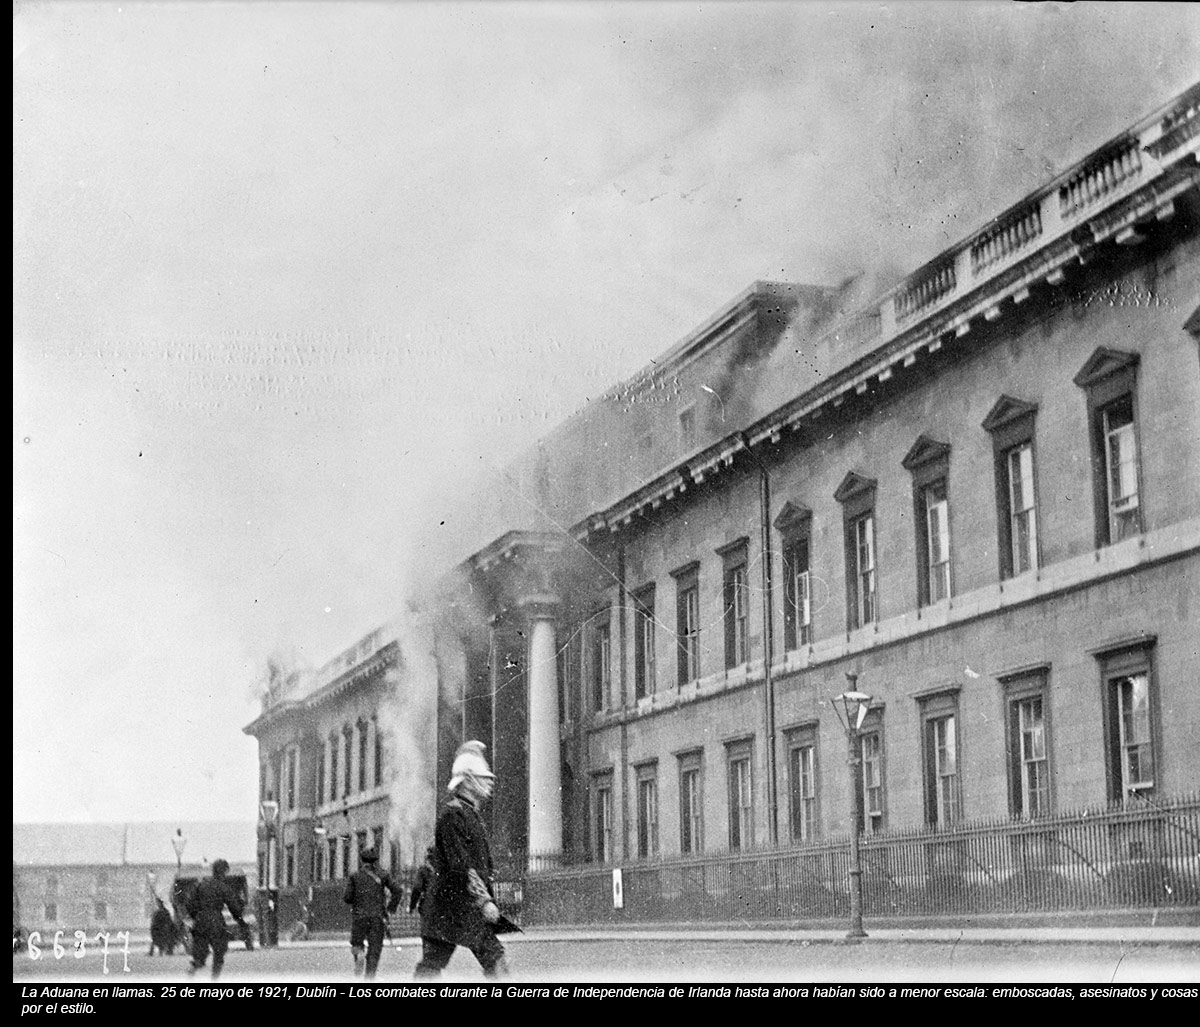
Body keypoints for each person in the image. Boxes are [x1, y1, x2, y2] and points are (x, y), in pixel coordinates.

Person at [414, 742, 510, 979]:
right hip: (450, 907)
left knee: (494, 959)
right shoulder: (453, 814)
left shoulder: (469, 813)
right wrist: (484, 900)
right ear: (467, 781)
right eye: (483, 777)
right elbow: (461, 866)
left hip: (460, 907)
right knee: (433, 967)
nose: (490, 781)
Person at [186, 859, 252, 978]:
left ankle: (194, 968)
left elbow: (190, 904)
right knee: (219, 951)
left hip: (200, 921)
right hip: (216, 921)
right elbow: (234, 907)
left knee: (200, 952)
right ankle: (214, 978)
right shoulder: (223, 887)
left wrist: (196, 916)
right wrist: (240, 920)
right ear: (224, 872)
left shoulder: (201, 885)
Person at [343, 846, 402, 978]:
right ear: (376, 861)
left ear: (361, 860)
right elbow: (398, 890)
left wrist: (358, 897)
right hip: (377, 917)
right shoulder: (383, 875)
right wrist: (390, 908)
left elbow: (347, 898)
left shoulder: (354, 876)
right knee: (375, 950)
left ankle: (359, 954)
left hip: (359, 917)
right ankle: (369, 978)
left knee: (356, 943)